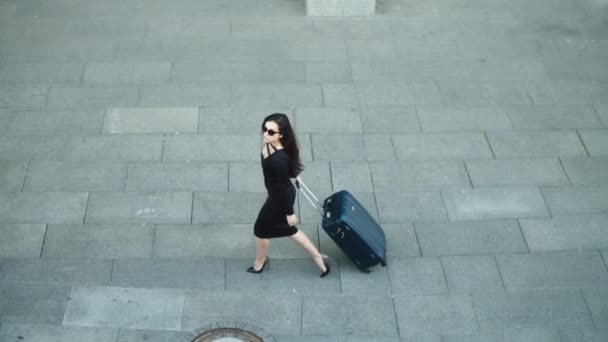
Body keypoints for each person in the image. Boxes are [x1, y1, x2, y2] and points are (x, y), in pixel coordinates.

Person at [248, 113, 330, 278]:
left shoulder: (278, 160)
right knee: (269, 230)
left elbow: (283, 188)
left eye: (271, 132)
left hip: (280, 199)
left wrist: (289, 212)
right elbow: (288, 163)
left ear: (281, 134)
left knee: (265, 229)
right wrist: (293, 174)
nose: (265, 134)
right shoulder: (275, 147)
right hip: (276, 194)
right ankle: (318, 258)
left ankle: (261, 262)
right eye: (264, 129)